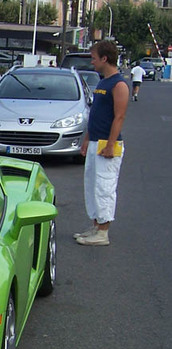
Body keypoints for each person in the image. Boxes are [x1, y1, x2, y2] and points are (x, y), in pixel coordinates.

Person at [74, 40, 129, 246]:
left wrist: (110, 144)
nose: (92, 61)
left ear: (105, 58)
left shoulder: (118, 84)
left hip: (108, 144)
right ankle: (96, 225)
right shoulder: (102, 82)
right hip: (96, 141)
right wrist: (87, 139)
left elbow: (119, 116)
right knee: (92, 186)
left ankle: (103, 232)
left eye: (94, 57)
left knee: (105, 186)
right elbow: (96, 115)